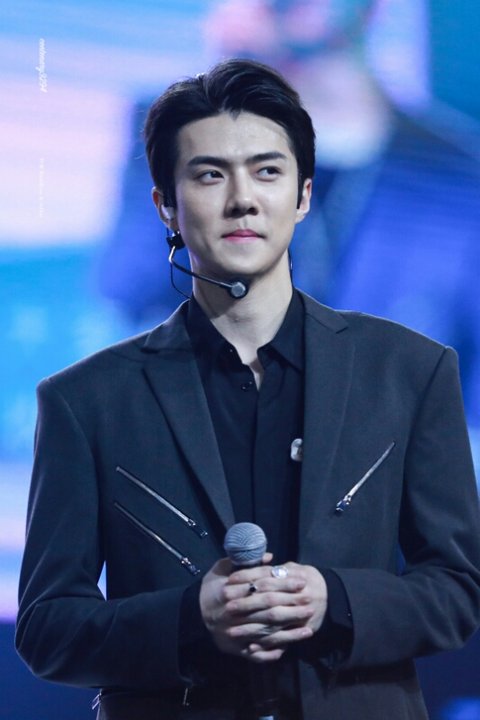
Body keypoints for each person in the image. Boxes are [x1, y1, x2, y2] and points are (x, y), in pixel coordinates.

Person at [15, 59, 480, 720]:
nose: (242, 200)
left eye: (267, 172)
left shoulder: (411, 372)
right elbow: (47, 629)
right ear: (165, 205)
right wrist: (190, 619)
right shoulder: (86, 400)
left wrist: (337, 602)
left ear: (304, 195)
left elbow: (458, 592)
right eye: (210, 174)